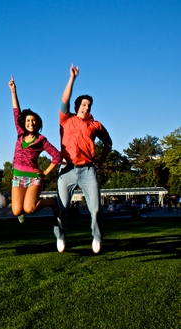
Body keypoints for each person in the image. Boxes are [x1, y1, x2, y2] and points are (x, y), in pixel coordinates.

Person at [55, 64, 112, 254]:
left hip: (88, 170)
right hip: (67, 170)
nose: (87, 107)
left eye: (89, 105)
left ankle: (97, 237)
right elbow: (65, 98)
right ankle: (61, 236)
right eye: (84, 104)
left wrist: (101, 161)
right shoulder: (65, 119)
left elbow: (108, 143)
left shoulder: (96, 125)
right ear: (76, 106)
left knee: (95, 208)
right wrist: (72, 78)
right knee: (62, 208)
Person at [8, 75, 61, 223]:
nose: (31, 123)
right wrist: (13, 91)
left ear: (37, 124)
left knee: (30, 209)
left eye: (34, 121)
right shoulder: (20, 134)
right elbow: (16, 111)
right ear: (24, 123)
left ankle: (50, 202)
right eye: (28, 120)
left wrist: (45, 172)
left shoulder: (41, 140)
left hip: (33, 178)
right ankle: (21, 210)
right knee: (16, 211)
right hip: (17, 177)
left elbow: (57, 156)